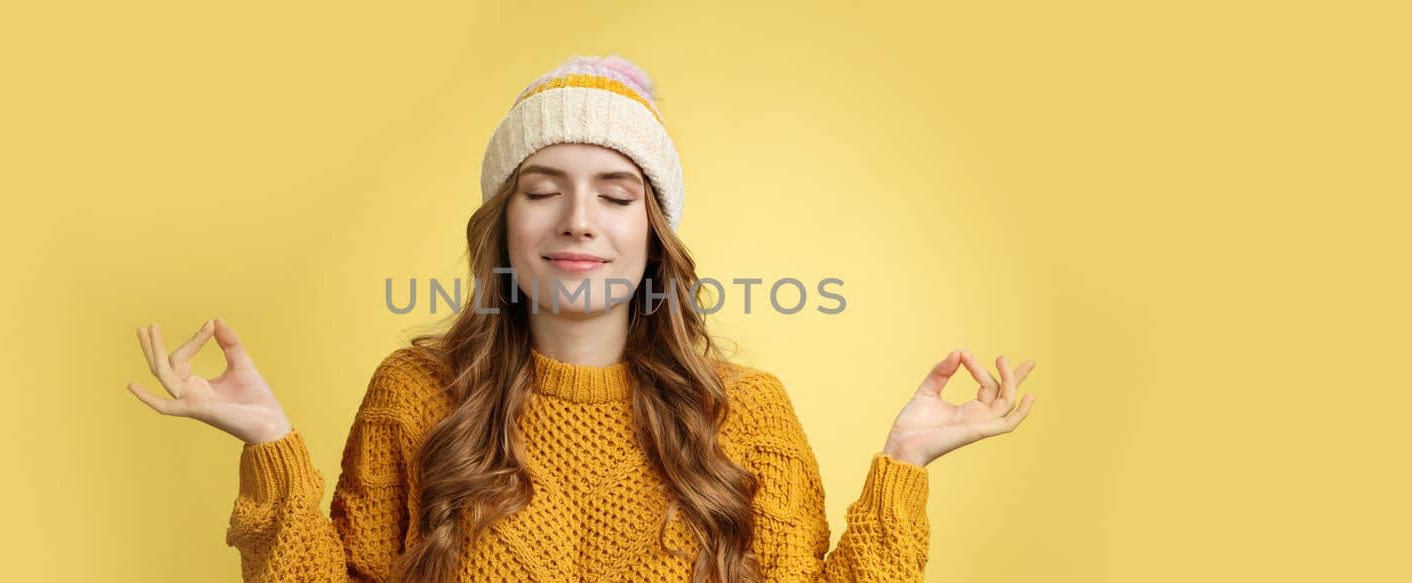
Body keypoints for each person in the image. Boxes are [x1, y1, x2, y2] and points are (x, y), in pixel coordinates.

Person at [127, 54, 1036, 583]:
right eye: (542, 189)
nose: (578, 220)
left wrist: (905, 464)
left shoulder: (747, 411)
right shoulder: (416, 395)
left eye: (615, 192)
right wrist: (270, 441)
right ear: (503, 226)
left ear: (653, 233)